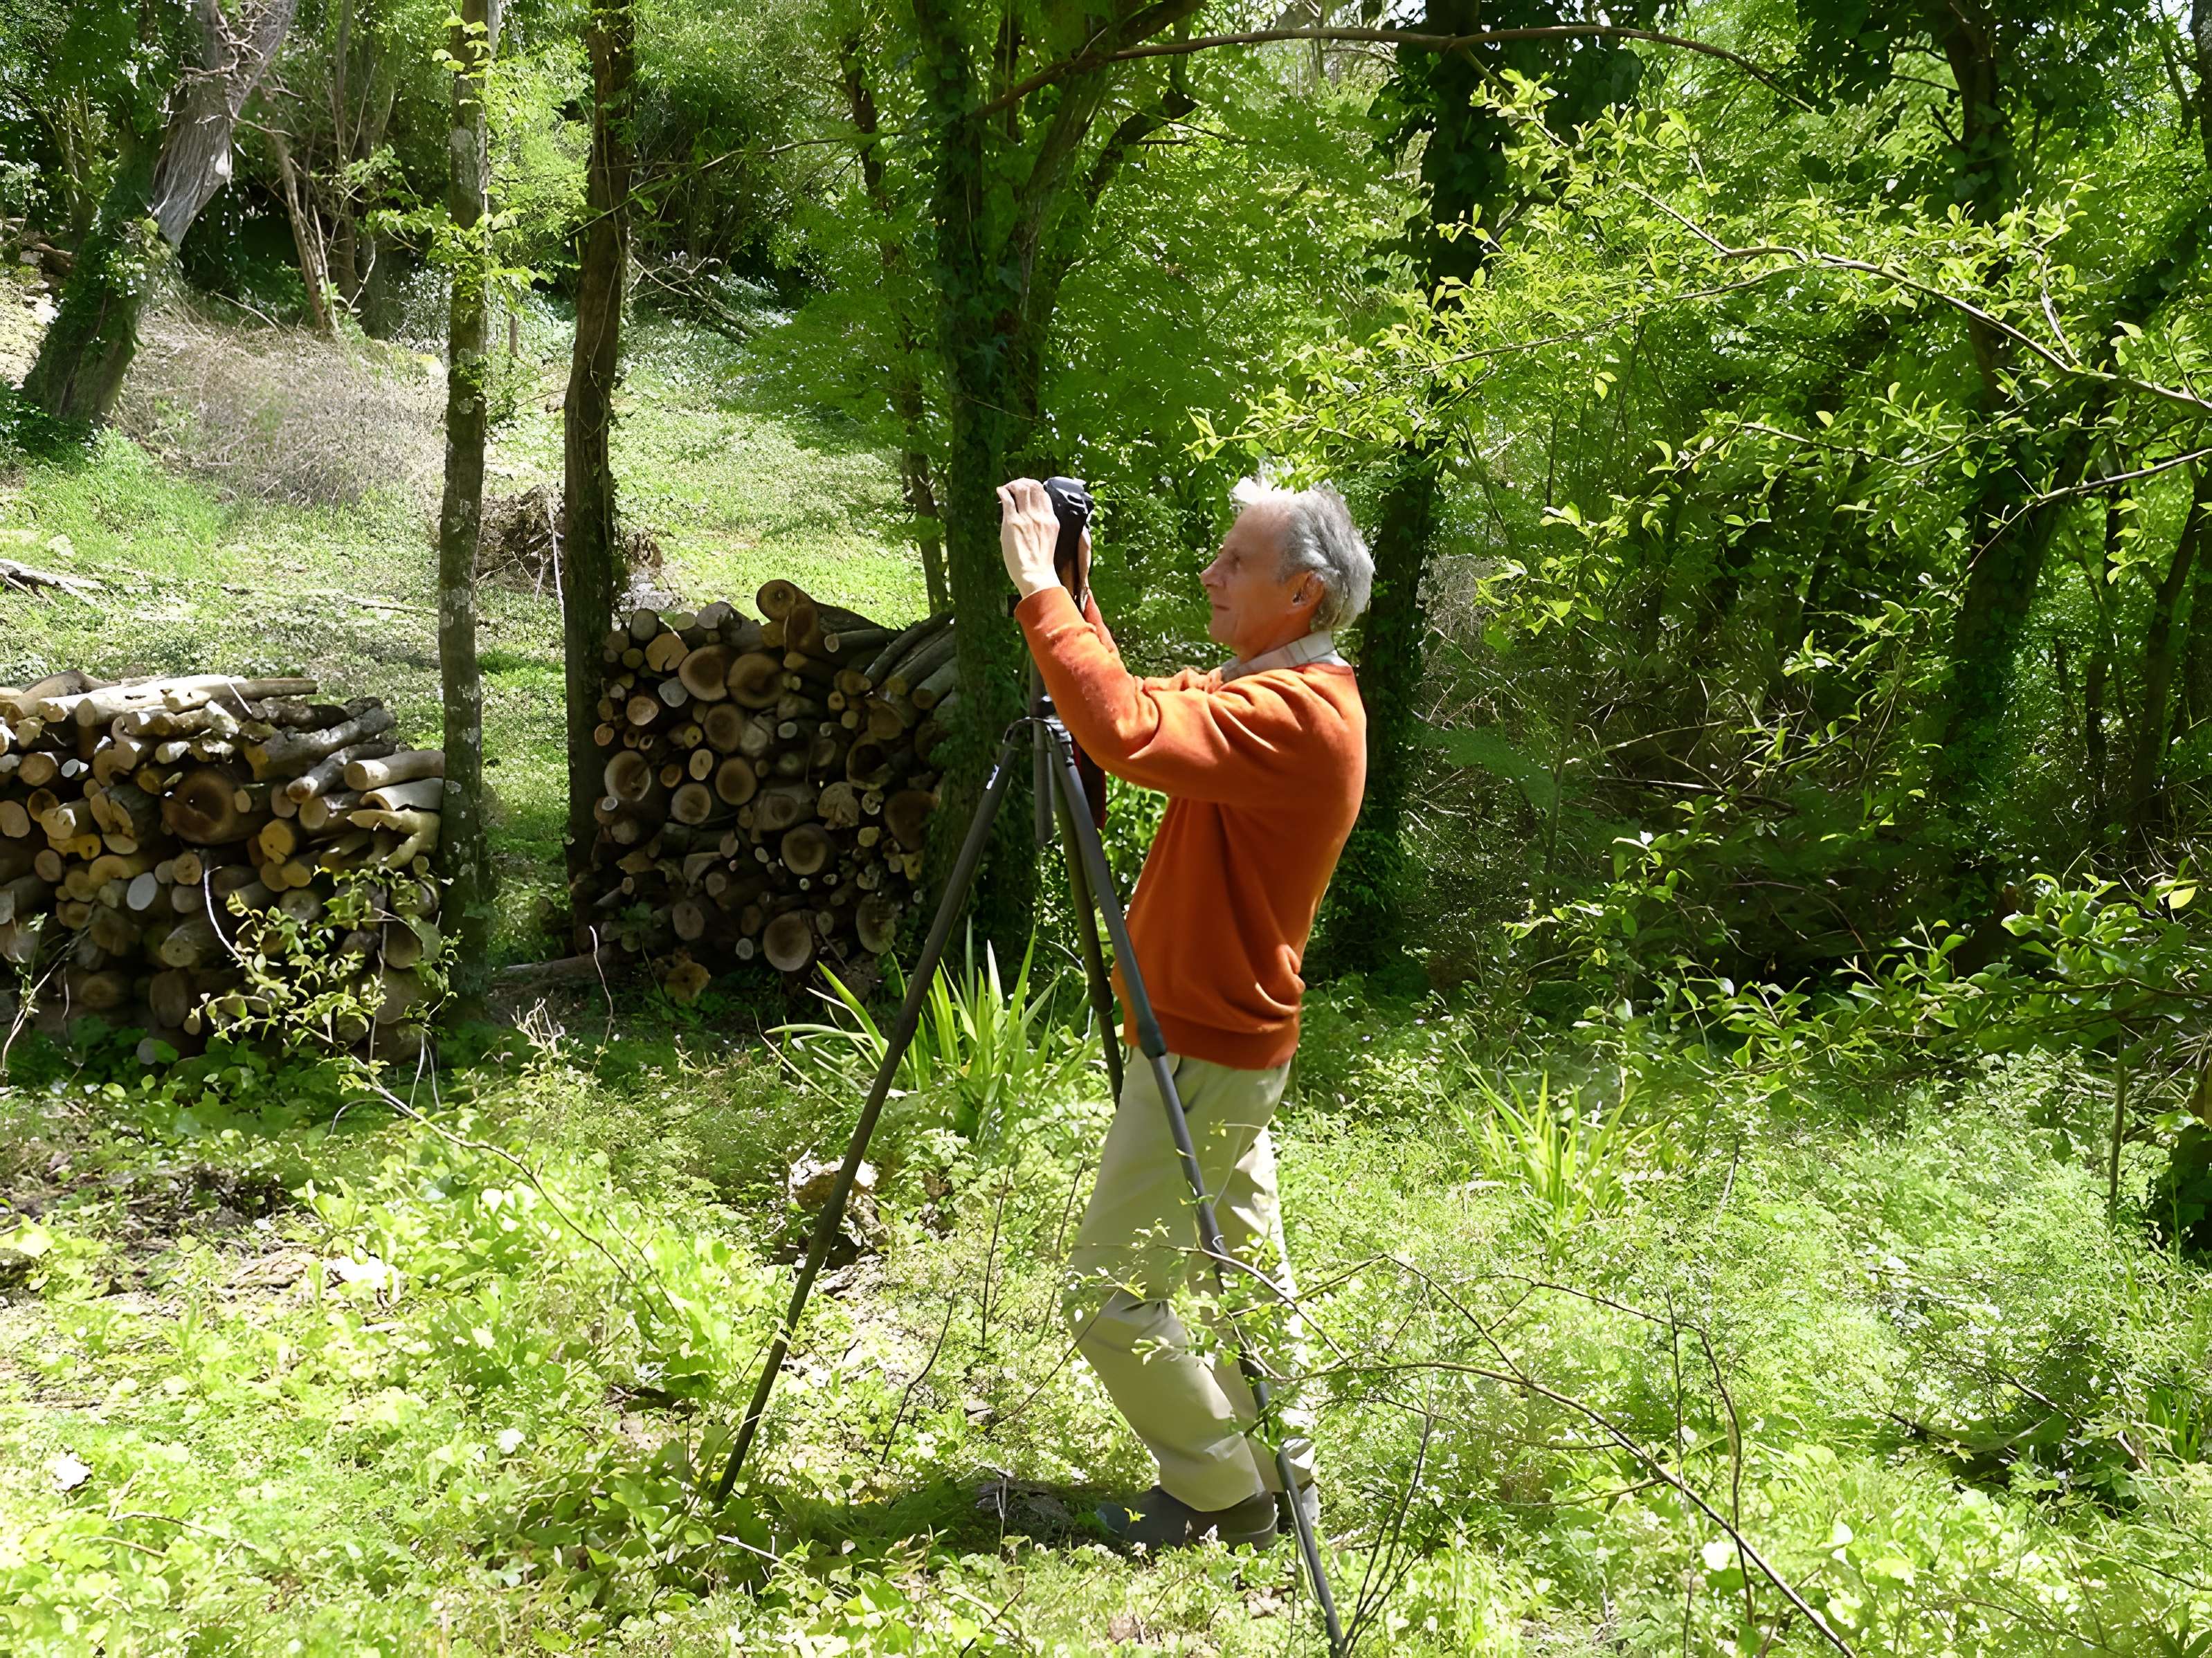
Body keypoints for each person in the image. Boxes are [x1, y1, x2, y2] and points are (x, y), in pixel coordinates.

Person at [997, 473, 1372, 1551]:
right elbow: (1134, 708)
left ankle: (1223, 1494)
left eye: (1234, 562)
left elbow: (1119, 733)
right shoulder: (1271, 690)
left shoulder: (1296, 719)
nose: (1210, 574)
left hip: (1204, 1047)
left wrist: (1037, 592)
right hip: (1222, 1044)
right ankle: (1286, 1474)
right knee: (1249, 1272)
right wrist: (1068, 588)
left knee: (1107, 1298)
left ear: (1300, 594)